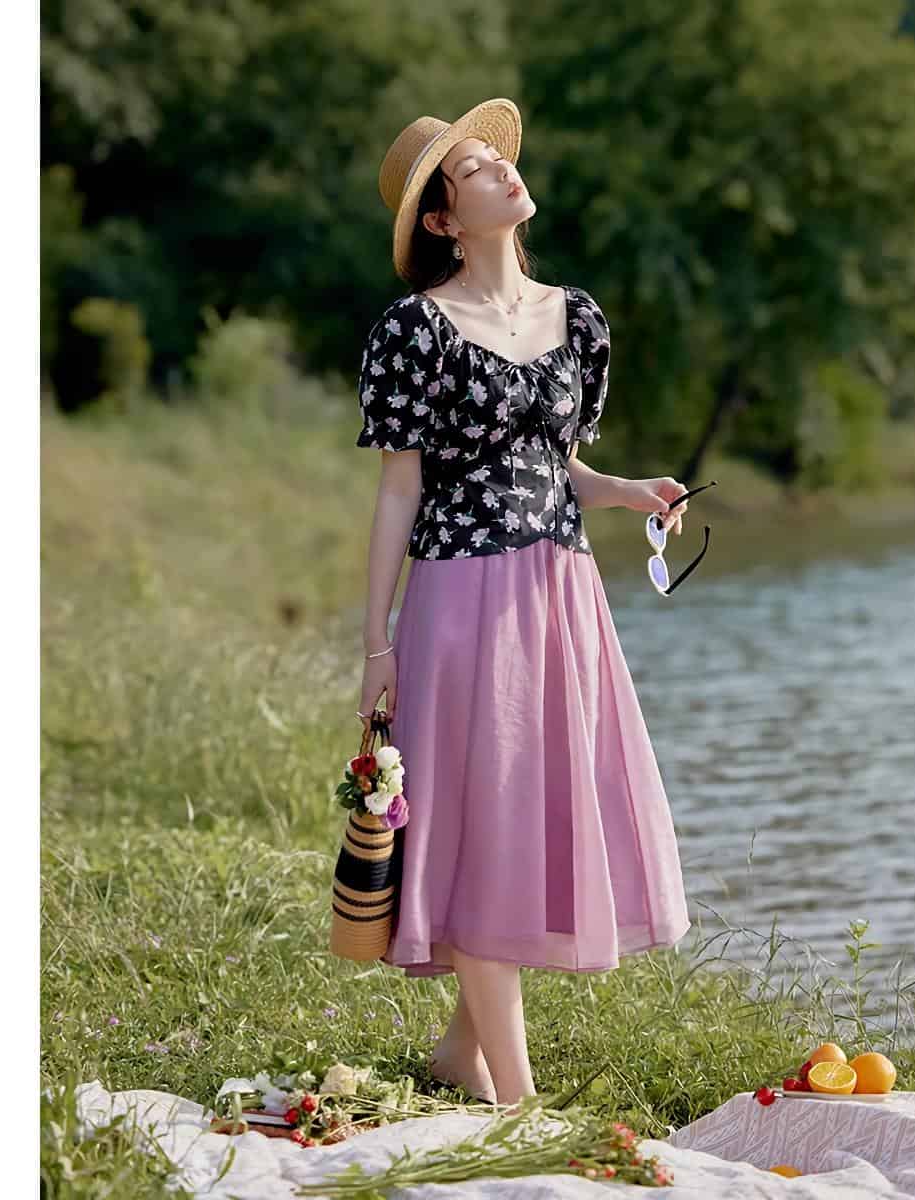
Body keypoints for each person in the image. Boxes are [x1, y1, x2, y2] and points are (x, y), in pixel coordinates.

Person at [354, 98, 693, 1108]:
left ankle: (460, 1057)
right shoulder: (414, 330)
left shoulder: (575, 317)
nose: (504, 171)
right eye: (474, 171)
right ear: (443, 220)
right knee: (483, 825)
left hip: (560, 588)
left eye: (499, 161)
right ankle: (519, 1102)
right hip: (462, 595)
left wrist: (628, 491)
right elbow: (400, 491)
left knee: (531, 819)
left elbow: (556, 464)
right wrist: (376, 643)